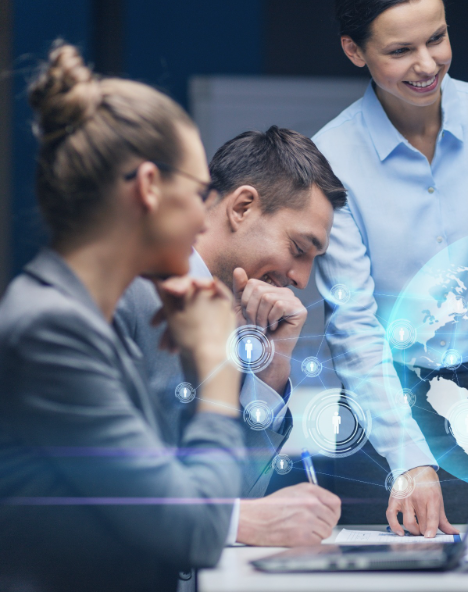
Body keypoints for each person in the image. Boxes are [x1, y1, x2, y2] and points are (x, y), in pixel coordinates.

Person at [313, 0, 468, 536]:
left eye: (437, 38)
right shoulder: (330, 155)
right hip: (384, 398)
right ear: (354, 51)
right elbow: (352, 323)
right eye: (401, 50)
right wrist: (408, 456)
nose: (427, 65)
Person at [0, 42, 242, 592]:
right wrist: (216, 369)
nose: (204, 225)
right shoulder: (50, 331)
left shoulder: (84, 321)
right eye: (200, 193)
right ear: (150, 187)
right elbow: (195, 530)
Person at [116, 127, 345, 550]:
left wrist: (273, 369)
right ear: (242, 207)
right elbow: (90, 483)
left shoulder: (238, 325)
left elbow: (233, 491)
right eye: (299, 247)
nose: (302, 278)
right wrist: (236, 522)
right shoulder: (125, 292)